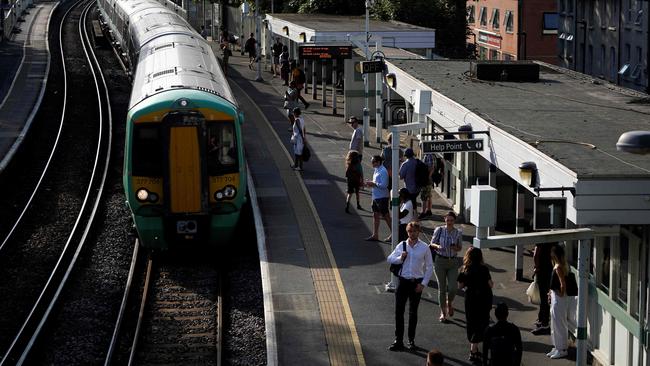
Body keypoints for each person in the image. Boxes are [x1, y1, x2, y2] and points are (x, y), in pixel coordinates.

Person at [387, 221, 433, 352]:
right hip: (403, 282)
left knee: (413, 312)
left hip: (416, 283)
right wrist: (400, 258)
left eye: (414, 231)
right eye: (409, 231)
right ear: (407, 232)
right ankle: (398, 340)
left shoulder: (424, 247)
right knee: (399, 312)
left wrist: (423, 284)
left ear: (418, 232)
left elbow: (430, 267)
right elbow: (390, 258)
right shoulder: (401, 245)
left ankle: (411, 340)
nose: (412, 233)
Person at [457, 247, 493, 363]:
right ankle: (473, 350)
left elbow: (460, 286)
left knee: (472, 322)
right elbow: (490, 284)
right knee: (482, 322)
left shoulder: (464, 269)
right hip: (484, 298)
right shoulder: (484, 269)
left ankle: (474, 348)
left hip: (471, 299)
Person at [429, 211, 463, 322]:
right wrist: (438, 246)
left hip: (452, 262)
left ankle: (449, 302)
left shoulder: (458, 232)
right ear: (445, 220)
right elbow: (432, 243)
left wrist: (455, 248)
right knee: (442, 288)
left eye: (451, 220)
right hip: (440, 261)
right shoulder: (439, 230)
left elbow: (460, 248)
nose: (449, 222)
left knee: (453, 288)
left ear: (454, 221)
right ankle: (443, 312)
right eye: (447, 220)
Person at [547, 244, 573, 359]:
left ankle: (562, 349)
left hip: (559, 299)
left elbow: (562, 285)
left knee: (558, 324)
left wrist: (558, 293)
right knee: (556, 323)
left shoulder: (558, 267)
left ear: (555, 255)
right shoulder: (563, 265)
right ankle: (557, 347)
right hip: (557, 298)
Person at [364, 155, 391, 242]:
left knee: (386, 216)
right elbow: (377, 183)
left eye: (373, 162)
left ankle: (395, 234)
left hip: (382, 197)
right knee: (375, 215)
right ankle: (375, 235)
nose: (372, 164)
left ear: (378, 162)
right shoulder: (377, 170)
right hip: (376, 196)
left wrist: (373, 184)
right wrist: (371, 183)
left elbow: (384, 185)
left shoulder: (383, 171)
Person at [531, 242, 553, 335]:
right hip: (549, 271)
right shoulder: (553, 242)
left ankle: (544, 323)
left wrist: (536, 267)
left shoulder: (540, 241)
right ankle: (541, 320)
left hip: (542, 272)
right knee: (544, 299)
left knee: (543, 299)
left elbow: (536, 255)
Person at [399, 148, 419, 215]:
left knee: (409, 203)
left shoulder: (405, 164)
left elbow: (401, 177)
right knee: (413, 202)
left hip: (409, 188)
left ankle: (413, 218)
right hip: (418, 187)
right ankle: (415, 216)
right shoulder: (417, 162)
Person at [418, 152, 435, 219]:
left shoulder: (429, 155)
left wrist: (428, 177)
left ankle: (423, 212)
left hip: (426, 179)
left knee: (423, 196)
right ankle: (429, 211)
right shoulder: (427, 155)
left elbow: (432, 168)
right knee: (428, 195)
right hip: (427, 179)